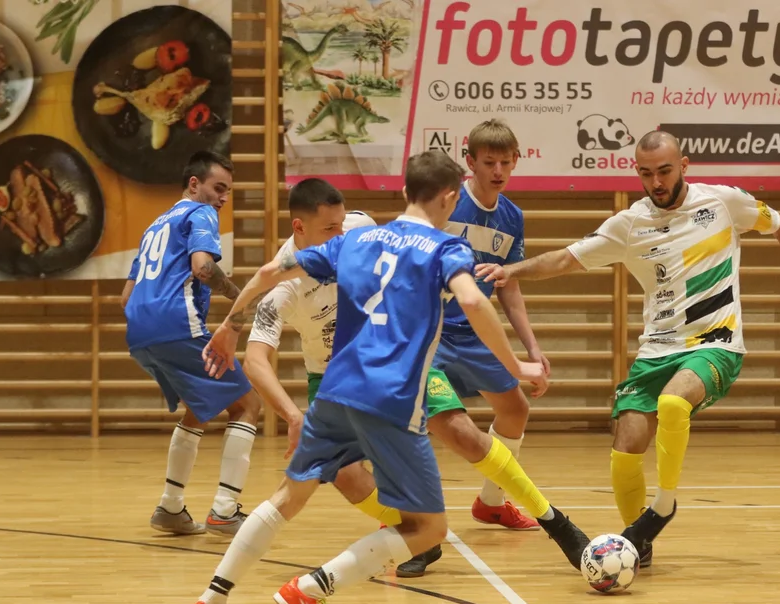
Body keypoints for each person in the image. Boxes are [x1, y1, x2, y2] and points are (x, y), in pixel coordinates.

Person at [185, 151, 549, 604]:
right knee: (429, 529)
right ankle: (312, 589)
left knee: (288, 497)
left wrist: (230, 323)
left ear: (404, 193)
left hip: (333, 390)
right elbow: (470, 299)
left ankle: (209, 603)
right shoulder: (445, 249)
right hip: (392, 399)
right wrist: (516, 365)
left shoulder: (353, 241)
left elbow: (272, 271)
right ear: (449, 197)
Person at [478, 130, 780, 567]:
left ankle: (663, 505)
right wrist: (510, 271)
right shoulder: (630, 223)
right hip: (656, 350)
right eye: (646, 174)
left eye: (664, 171)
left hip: (714, 343)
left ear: (684, 164)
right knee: (625, 447)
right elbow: (566, 258)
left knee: (673, 404)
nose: (656, 182)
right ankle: (637, 545)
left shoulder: (722, 202)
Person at [242, 178, 591, 578]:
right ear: (299, 228)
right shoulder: (283, 288)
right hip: (335, 375)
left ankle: (555, 522)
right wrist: (290, 414)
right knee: (348, 477)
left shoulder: (358, 228)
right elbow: (255, 360)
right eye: (329, 229)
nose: (340, 235)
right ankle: (415, 533)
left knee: (462, 432)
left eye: (341, 225)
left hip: (396, 360)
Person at [121, 151, 261, 537]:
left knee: (201, 408)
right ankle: (225, 510)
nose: (223, 198)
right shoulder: (200, 214)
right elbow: (203, 268)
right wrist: (241, 298)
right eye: (218, 188)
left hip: (139, 333)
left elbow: (125, 296)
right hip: (176, 325)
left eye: (228, 192)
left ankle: (170, 507)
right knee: (248, 404)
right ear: (194, 184)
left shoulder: (155, 226)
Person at [435, 119, 548, 531]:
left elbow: (510, 288)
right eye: (489, 162)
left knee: (515, 408)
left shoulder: (512, 217)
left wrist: (532, 348)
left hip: (477, 333)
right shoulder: (446, 203)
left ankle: (491, 502)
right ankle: (401, 514)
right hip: (432, 332)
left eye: (505, 162)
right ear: (471, 163)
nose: (498, 170)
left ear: (516, 161)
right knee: (431, 420)